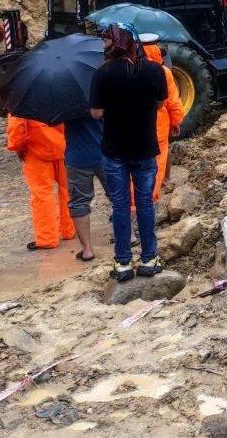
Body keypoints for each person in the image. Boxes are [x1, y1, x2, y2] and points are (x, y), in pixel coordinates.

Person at [90, 23, 168, 282]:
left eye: (106, 40)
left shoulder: (103, 74)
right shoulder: (156, 71)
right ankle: (149, 259)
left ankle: (123, 263)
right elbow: (159, 104)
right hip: (145, 148)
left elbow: (97, 113)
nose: (103, 44)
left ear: (117, 42)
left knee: (121, 205)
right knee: (145, 202)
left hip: (114, 150)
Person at [6, 115, 75, 251]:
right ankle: (69, 229)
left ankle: (47, 238)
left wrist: (17, 147)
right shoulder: (63, 93)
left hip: (36, 151)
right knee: (68, 189)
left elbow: (16, 125)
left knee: (42, 194)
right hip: (64, 147)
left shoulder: (22, 97)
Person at [137, 33, 184, 204]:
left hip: (132, 126)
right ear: (157, 50)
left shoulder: (128, 69)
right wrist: (176, 121)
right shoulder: (163, 72)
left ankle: (135, 200)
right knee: (157, 162)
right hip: (157, 125)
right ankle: (150, 199)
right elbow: (173, 100)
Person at [63, 115, 104, 262]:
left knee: (79, 202)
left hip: (77, 158)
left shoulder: (64, 99)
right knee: (117, 196)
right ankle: (129, 236)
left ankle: (87, 250)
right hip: (104, 153)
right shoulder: (100, 94)